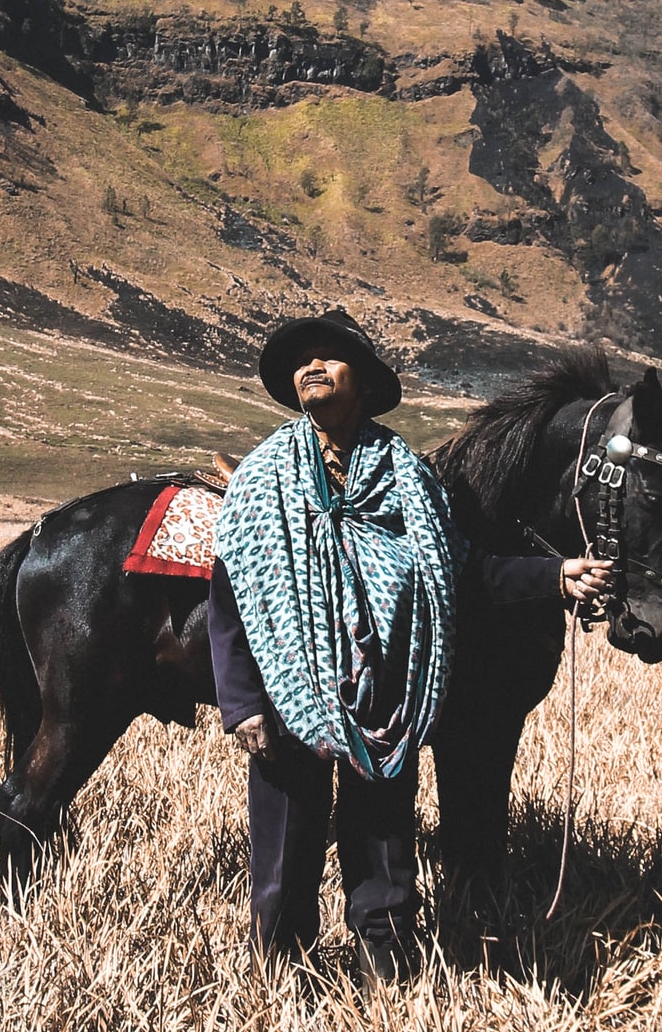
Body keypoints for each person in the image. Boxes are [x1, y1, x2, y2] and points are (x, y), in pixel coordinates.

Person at [208, 309, 612, 971]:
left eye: (330, 356)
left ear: (363, 383)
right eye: (303, 357)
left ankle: (387, 967)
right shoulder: (260, 480)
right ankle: (280, 971)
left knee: (384, 844)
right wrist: (242, 700)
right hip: (288, 692)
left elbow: (463, 572)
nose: (312, 364)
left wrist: (555, 577)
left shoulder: (406, 477)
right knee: (286, 845)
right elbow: (232, 594)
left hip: (383, 698)